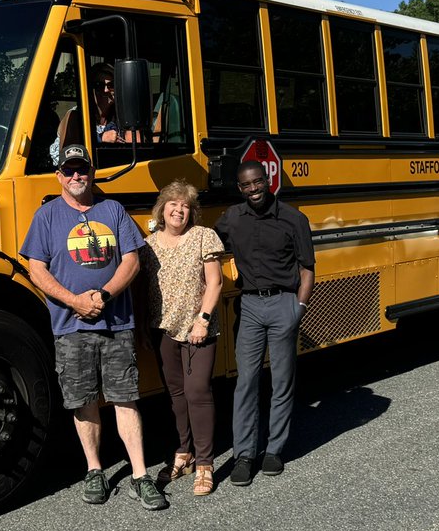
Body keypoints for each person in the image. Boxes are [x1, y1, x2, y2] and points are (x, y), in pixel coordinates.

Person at [20, 144, 168, 511]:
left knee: (124, 398)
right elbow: (36, 269)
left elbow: (132, 261)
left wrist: (102, 295)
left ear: (91, 173)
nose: (75, 177)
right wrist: (75, 301)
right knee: (83, 401)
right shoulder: (46, 217)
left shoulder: (113, 210)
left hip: (116, 322)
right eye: (68, 170)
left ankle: (138, 475)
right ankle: (95, 470)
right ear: (59, 176)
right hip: (70, 326)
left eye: (82, 170)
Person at [214, 160, 315, 486]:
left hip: (283, 303)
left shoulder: (293, 219)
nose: (253, 189)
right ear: (240, 188)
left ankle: (274, 450)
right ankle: (245, 454)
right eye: (246, 185)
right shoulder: (232, 217)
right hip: (251, 306)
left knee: (282, 380)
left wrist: (298, 306)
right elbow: (206, 242)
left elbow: (307, 269)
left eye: (258, 182)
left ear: (268, 180)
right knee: (246, 382)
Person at [139, 180, 224, 496]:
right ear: (163, 209)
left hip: (199, 328)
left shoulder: (203, 237)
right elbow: (143, 290)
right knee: (175, 394)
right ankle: (184, 452)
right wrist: (142, 330)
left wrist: (202, 321)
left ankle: (205, 463)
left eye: (186, 206)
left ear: (192, 212)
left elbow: (214, 283)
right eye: (174, 204)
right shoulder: (148, 246)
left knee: (198, 390)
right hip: (163, 330)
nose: (179, 210)